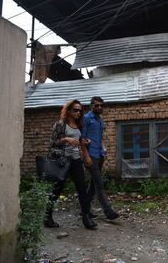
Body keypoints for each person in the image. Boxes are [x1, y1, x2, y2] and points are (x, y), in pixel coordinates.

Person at [45, 99, 97, 230]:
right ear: (68, 110)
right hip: (63, 161)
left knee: (82, 189)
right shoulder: (60, 125)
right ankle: (47, 217)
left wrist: (84, 142)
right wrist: (65, 139)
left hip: (76, 160)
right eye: (75, 110)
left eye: (80, 110)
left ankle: (86, 218)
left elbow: (78, 142)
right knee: (57, 190)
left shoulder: (79, 125)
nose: (78, 112)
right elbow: (52, 143)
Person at [82, 96, 120, 220]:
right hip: (90, 156)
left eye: (101, 105)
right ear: (91, 105)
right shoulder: (86, 118)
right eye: (96, 105)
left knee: (93, 185)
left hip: (99, 155)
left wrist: (103, 148)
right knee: (99, 183)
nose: (99, 107)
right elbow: (82, 139)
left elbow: (100, 136)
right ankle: (108, 211)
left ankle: (85, 210)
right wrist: (86, 156)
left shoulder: (100, 119)